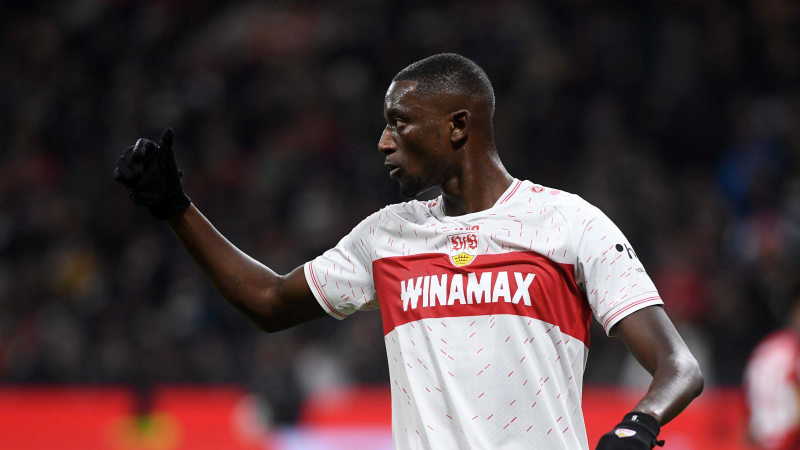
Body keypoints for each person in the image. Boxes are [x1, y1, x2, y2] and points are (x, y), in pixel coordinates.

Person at [113, 53, 703, 449]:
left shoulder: (568, 223)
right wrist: (175, 208)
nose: (383, 141)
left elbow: (678, 367)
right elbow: (269, 301)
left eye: (399, 123)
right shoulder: (387, 236)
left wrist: (639, 425)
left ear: (457, 126)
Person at [744, 289, 800, 450]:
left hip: (762, 440)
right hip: (790, 441)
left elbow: (748, 401)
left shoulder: (765, 348)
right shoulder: (794, 350)